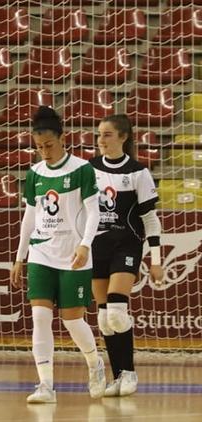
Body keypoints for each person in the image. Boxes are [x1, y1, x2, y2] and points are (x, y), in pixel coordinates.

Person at [10, 106, 107, 404]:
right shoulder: (34, 173)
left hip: (73, 254)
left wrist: (85, 245)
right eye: (39, 147)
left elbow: (94, 211)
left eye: (49, 145)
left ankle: (95, 363)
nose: (44, 152)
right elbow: (29, 216)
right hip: (41, 252)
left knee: (72, 320)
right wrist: (19, 257)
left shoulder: (81, 169)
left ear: (63, 139)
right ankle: (46, 385)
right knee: (40, 318)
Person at [91, 114, 164, 397]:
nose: (101, 140)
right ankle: (117, 376)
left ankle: (130, 372)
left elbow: (151, 220)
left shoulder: (138, 172)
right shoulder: (89, 170)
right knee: (103, 320)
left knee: (118, 313)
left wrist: (155, 261)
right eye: (99, 134)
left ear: (123, 137)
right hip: (97, 247)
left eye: (107, 134)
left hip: (126, 245)